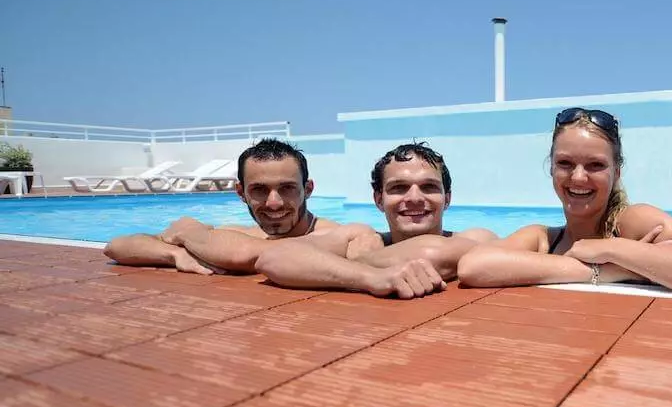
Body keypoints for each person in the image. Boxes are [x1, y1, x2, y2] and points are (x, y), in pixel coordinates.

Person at [458, 107, 672, 298]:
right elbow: (473, 266)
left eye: (595, 165)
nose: (578, 178)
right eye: (565, 163)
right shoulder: (543, 239)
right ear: (551, 168)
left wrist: (612, 247)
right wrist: (605, 272)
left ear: (616, 172)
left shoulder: (632, 223)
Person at [255, 142, 495, 298]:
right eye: (399, 188)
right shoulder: (365, 239)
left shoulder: (476, 240)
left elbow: (434, 252)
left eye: (428, 187)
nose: (414, 198)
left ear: (447, 198)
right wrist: (370, 277)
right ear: (379, 200)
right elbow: (272, 258)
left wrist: (362, 260)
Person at [104, 138, 373, 275]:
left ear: (308, 190)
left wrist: (192, 235)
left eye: (287, 188)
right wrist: (174, 256)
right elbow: (117, 246)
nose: (274, 202)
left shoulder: (337, 236)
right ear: (240, 193)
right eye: (259, 190)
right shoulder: (232, 233)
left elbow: (259, 255)